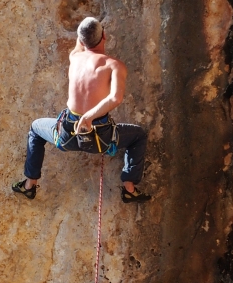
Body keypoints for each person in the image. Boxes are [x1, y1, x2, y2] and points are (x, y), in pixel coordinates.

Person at [12, 16, 150, 203]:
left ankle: (29, 184)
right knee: (139, 135)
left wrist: (82, 117)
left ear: (81, 40)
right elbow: (116, 97)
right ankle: (129, 188)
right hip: (102, 138)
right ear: (104, 37)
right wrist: (89, 117)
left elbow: (81, 41)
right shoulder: (114, 66)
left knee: (36, 128)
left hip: (67, 135)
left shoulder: (74, 58)